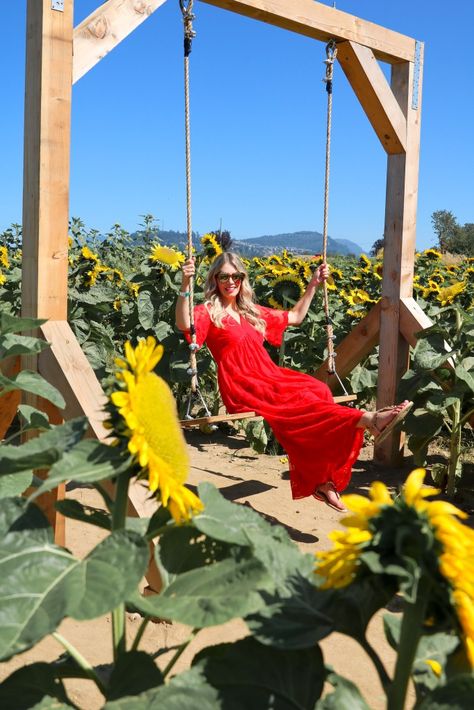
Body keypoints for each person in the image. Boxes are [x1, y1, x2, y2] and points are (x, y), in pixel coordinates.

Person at [175, 251, 411, 512]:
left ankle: (322, 480)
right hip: (242, 382)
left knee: (318, 389)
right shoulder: (208, 311)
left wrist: (313, 285)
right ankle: (369, 420)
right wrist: (186, 283)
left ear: (243, 279)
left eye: (236, 276)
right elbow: (185, 324)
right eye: (223, 276)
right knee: (295, 402)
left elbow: (295, 317)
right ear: (214, 279)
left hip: (269, 374)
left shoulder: (252, 312)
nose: (230, 281)